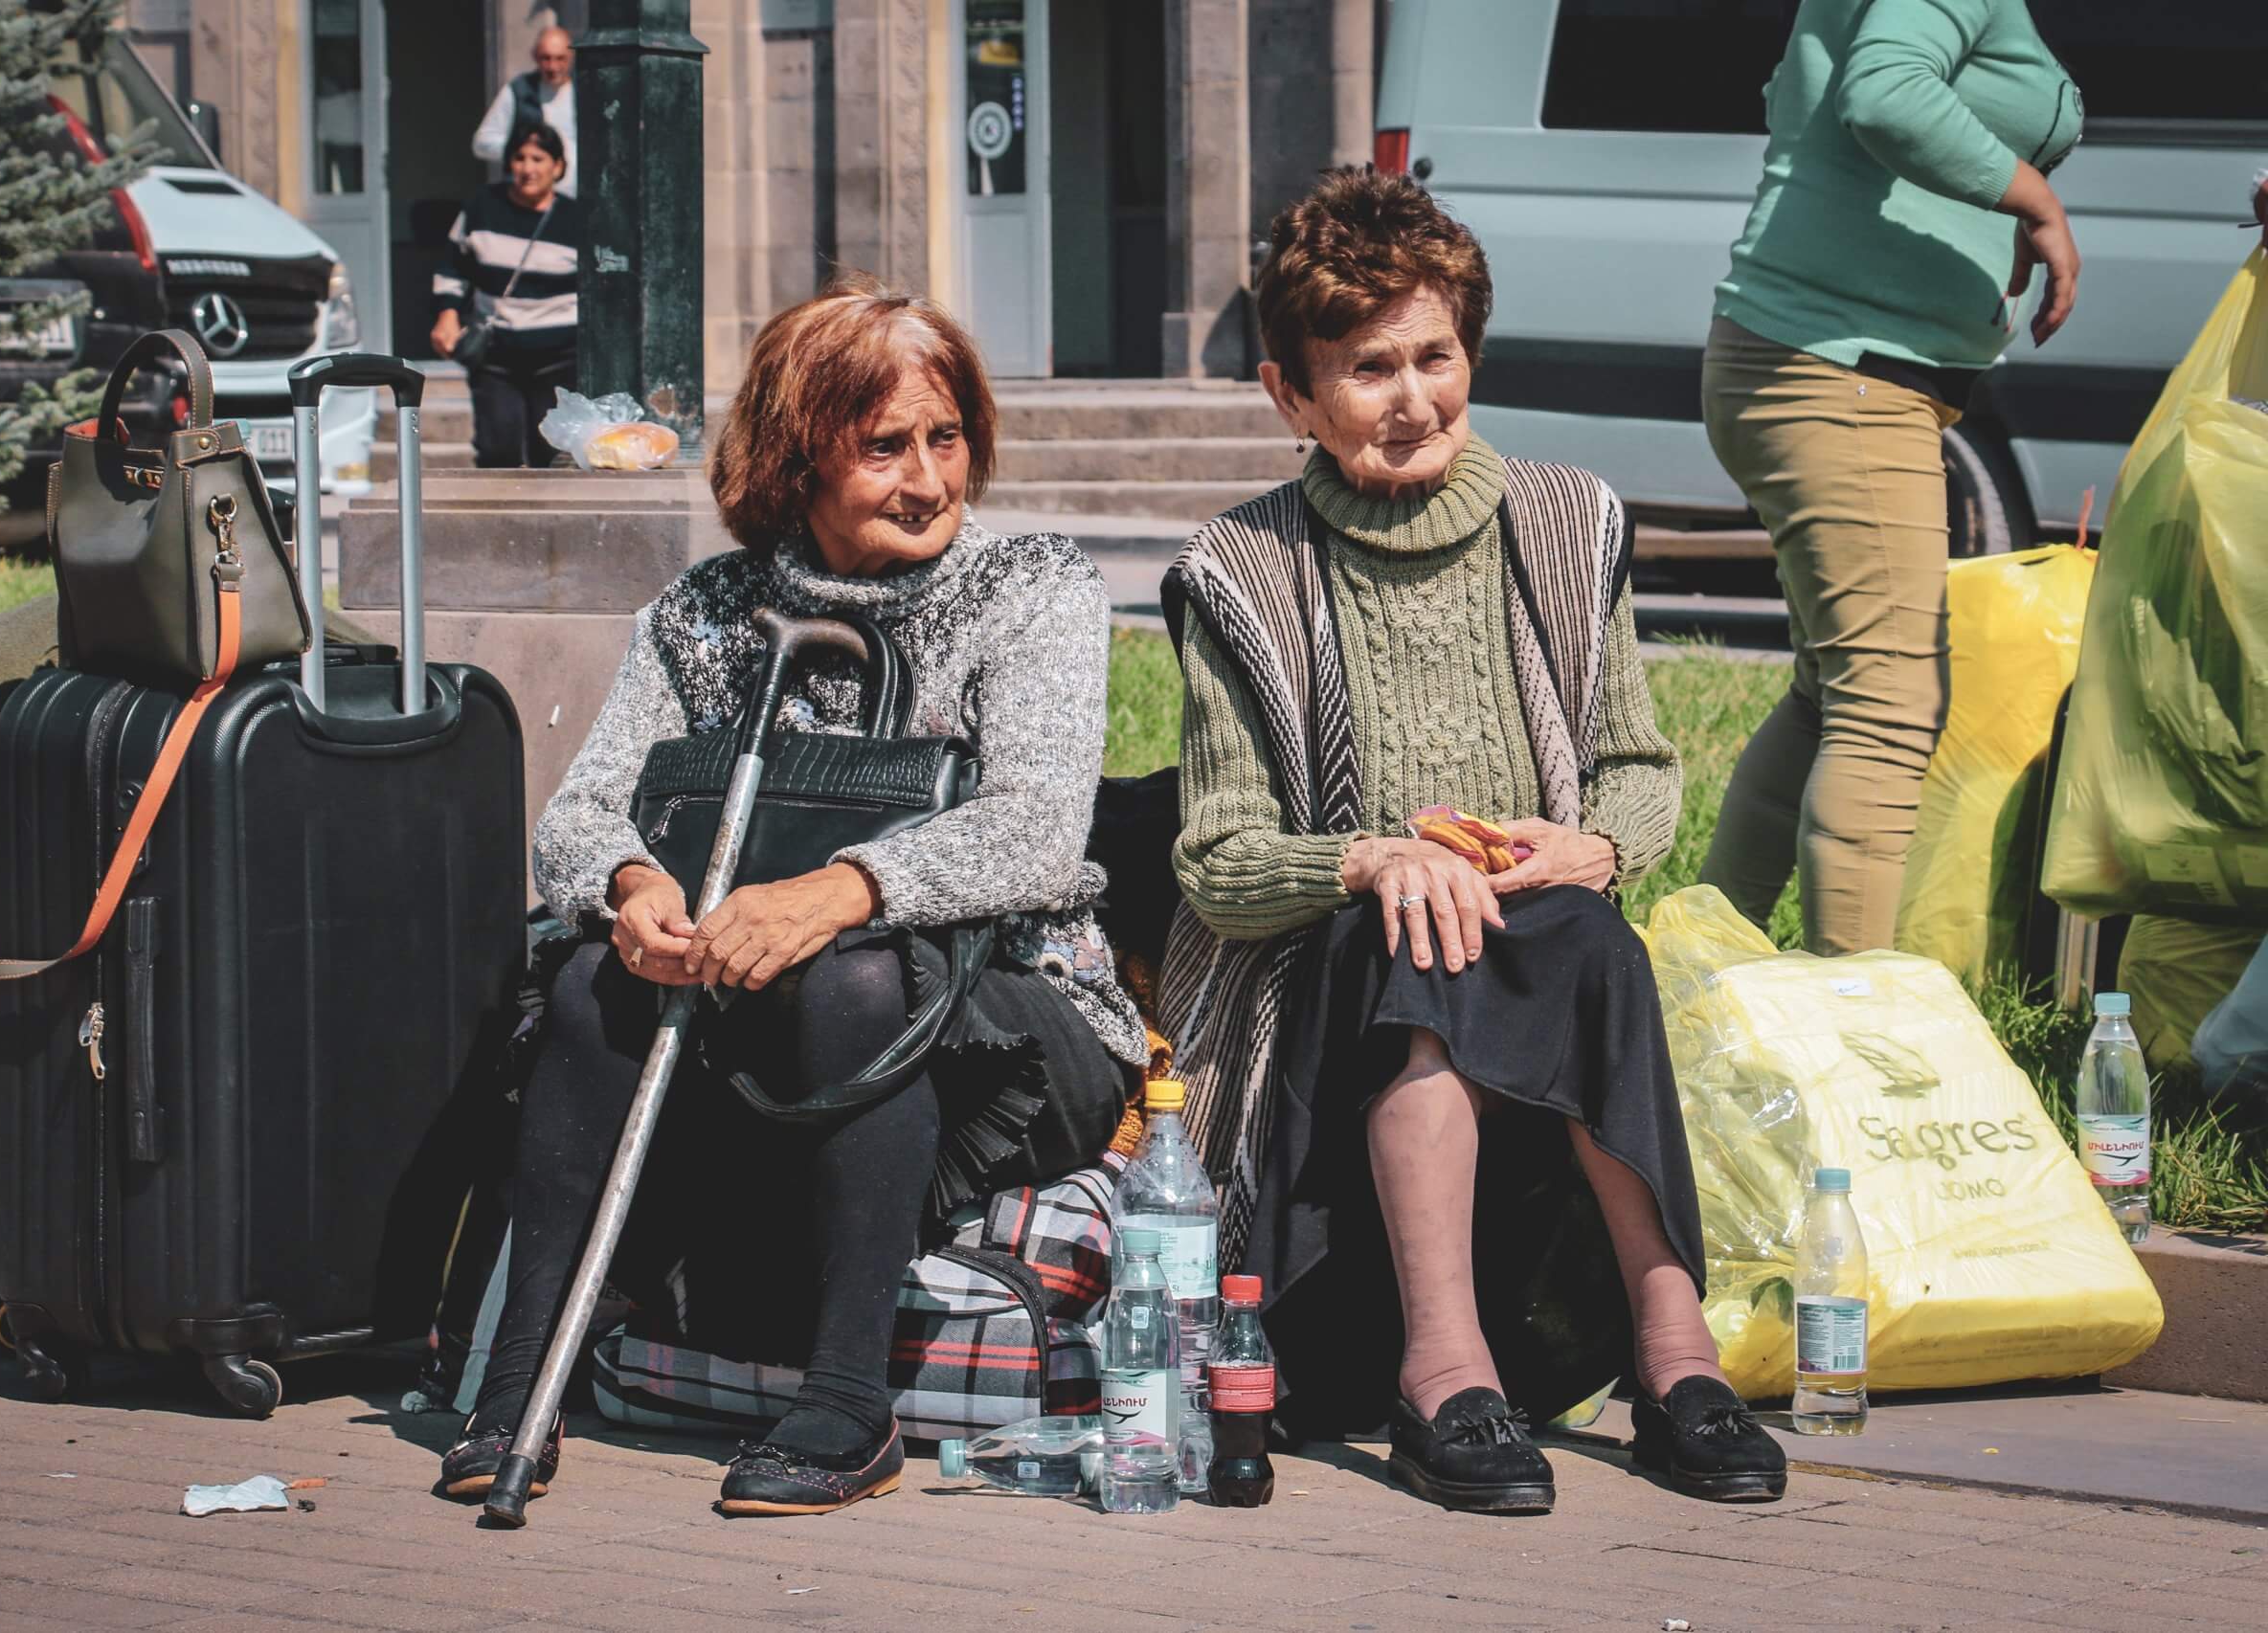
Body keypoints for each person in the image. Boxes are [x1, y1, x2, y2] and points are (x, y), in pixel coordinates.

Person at [434, 276, 1145, 1517]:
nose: (927, 478)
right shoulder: (709, 613)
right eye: (884, 448)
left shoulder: (1033, 586)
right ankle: (519, 1379)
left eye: (946, 436)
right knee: (599, 974)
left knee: (854, 965)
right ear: (796, 461)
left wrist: (843, 888)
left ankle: (847, 1403)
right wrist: (634, 887)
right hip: (750, 1015)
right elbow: (581, 815)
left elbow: (1035, 831)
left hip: (1018, 1028)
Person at [1162, 168, 1785, 1515]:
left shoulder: (1566, 523)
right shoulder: (1239, 568)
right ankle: (1446, 1371)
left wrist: (1593, 847)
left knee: (1588, 929)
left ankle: (1675, 1357)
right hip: (1333, 975)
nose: (1412, 397)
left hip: (1548, 950)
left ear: (1471, 355)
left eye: (1435, 356)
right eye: (1366, 366)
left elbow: (1638, 765)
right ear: (1290, 394)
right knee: (1420, 928)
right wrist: (1373, 857)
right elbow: (1215, 855)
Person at [1698, 0, 2082, 955]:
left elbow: (1808, 99)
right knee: (1885, 704)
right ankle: (1856, 1022)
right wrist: (2032, 199)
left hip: (1825, 362)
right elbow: (1883, 97)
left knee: (1828, 691)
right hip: (1837, 374)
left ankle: (1694, 959)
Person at [430, 123, 581, 469]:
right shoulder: (483, 207)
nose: (528, 168)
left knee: (553, 454)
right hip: (496, 356)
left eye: (538, 159)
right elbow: (452, 267)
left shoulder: (577, 219)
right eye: (519, 158)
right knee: (498, 451)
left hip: (559, 358)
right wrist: (447, 315)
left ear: (557, 167)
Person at [471, 27, 577, 197]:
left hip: (577, 195)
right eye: (546, 58)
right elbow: (482, 142)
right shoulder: (519, 90)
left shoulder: (586, 92)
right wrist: (522, 150)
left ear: (572, 57)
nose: (553, 66)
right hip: (531, 198)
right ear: (535, 56)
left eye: (560, 58)